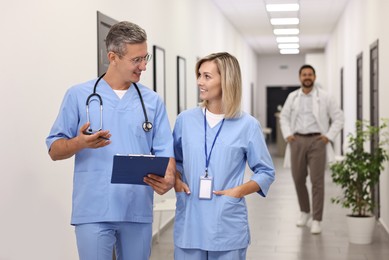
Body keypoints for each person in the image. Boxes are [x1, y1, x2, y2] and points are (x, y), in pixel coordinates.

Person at [46, 21, 175, 260]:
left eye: (145, 57)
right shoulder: (78, 95)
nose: (144, 66)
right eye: (136, 60)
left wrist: (168, 178)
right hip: (94, 209)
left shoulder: (153, 101)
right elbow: (54, 150)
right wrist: (79, 143)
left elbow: (166, 153)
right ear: (113, 57)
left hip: (136, 209)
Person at [172, 52, 275, 260]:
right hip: (191, 220)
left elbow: (266, 171)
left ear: (226, 80)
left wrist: (238, 191)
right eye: (199, 75)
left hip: (226, 222)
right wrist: (175, 180)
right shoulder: (185, 120)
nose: (200, 82)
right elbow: (175, 160)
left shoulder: (248, 125)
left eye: (207, 76)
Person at [279, 64, 344, 234]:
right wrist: (288, 135)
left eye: (310, 74)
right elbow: (284, 118)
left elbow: (339, 118)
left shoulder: (325, 97)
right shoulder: (292, 97)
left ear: (314, 77)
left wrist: (328, 136)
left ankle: (316, 219)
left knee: (317, 182)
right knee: (298, 178)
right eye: (304, 74)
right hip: (297, 140)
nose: (307, 77)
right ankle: (305, 211)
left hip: (317, 141)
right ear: (300, 77)